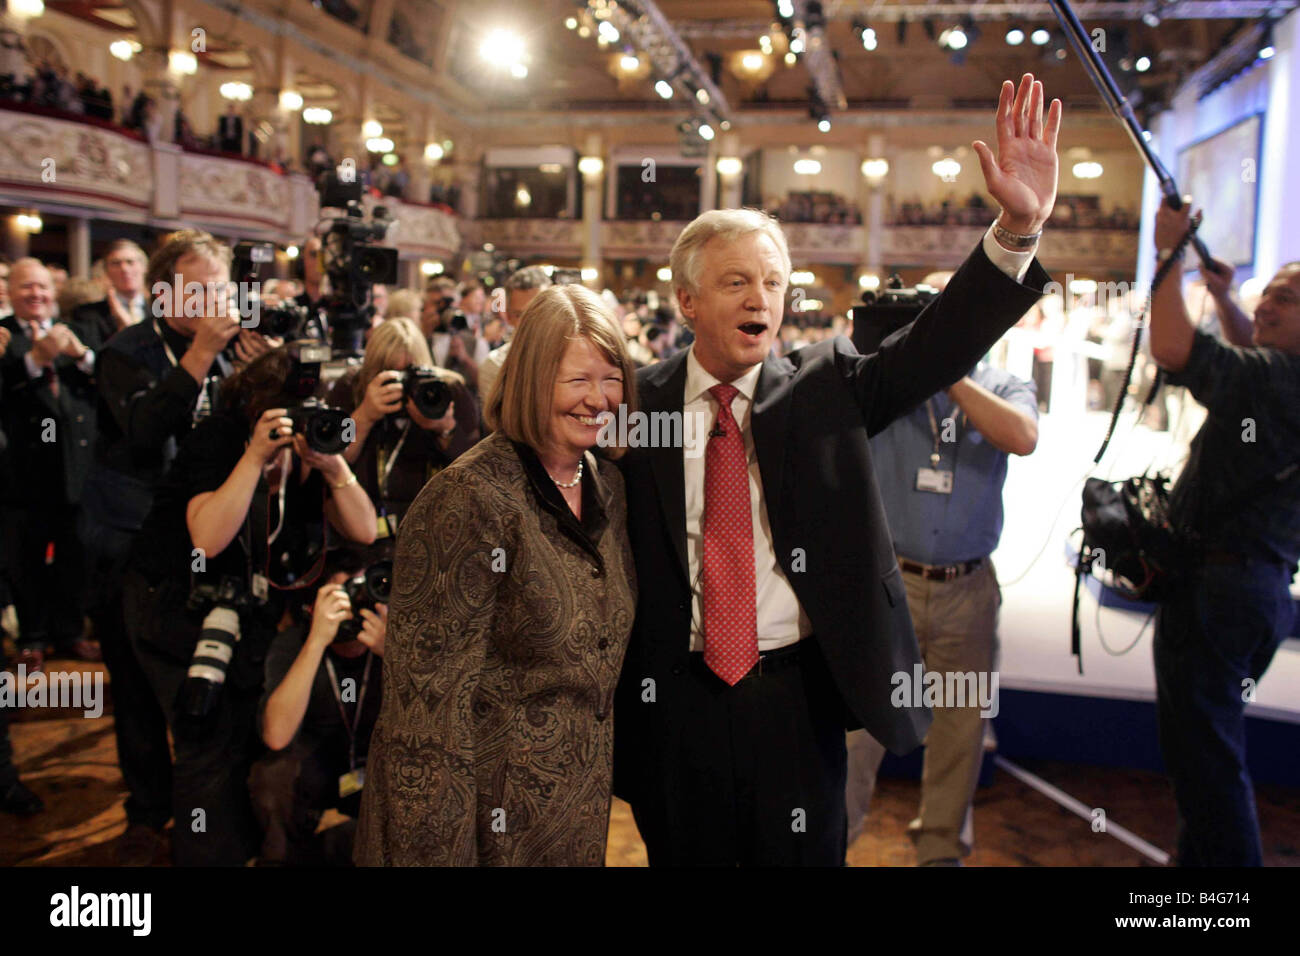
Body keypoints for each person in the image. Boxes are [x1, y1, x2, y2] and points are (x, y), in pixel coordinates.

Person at [611, 73, 1060, 866]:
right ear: (686, 299)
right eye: (737, 281)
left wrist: (1016, 229)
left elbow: (936, 345)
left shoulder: (826, 389)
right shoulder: (634, 404)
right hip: (674, 700)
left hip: (796, 698)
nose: (763, 297)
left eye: (774, 282)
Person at [355, 283, 638, 865]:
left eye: (611, 379)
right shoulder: (467, 498)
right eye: (577, 380)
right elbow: (423, 719)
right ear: (533, 380)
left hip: (574, 816)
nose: (599, 398)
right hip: (482, 826)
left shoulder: (607, 484)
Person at [123, 348, 376, 865]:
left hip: (245, 606)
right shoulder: (218, 439)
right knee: (204, 736)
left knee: (243, 737)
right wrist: (253, 457)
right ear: (258, 410)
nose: (301, 424)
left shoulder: (307, 457)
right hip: (174, 602)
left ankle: (235, 848)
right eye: (290, 412)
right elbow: (207, 540)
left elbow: (366, 530)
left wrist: (331, 466)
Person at [79, 229, 276, 864]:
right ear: (163, 291)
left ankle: (213, 820)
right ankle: (146, 811)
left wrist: (259, 364)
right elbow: (143, 433)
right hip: (132, 548)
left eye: (222, 288)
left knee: (200, 696)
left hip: (204, 543)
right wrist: (198, 357)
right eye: (202, 288)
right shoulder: (123, 352)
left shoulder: (225, 355)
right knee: (136, 693)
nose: (217, 301)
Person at [1148, 200, 1300, 866]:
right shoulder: (1279, 379)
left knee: (1208, 772)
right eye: (1269, 291)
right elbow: (1250, 348)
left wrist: (1168, 256)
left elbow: (1174, 348)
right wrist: (1224, 295)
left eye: (1287, 298)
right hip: (1258, 589)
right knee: (1209, 755)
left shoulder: (1276, 380)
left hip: (1216, 593)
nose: (1267, 305)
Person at [848, 346, 1038, 864]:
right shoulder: (892, 384)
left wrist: (950, 375)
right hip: (891, 586)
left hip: (968, 590)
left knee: (960, 726)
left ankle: (939, 848)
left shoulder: (1003, 384)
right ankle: (832, 839)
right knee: (861, 727)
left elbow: (1022, 437)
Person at [0, 259, 100, 672]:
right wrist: (33, 361)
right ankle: (33, 637)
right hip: (23, 472)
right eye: (27, 288)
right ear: (12, 292)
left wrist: (84, 357)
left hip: (77, 469)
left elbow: (107, 379)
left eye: (42, 287)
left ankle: (71, 632)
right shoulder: (4, 335)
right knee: (27, 557)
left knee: (75, 555)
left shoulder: (80, 329)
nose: (36, 295)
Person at [250, 564, 387, 865]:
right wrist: (317, 641)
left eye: (361, 591)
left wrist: (393, 654)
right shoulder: (294, 643)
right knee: (271, 775)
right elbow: (276, 736)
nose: (354, 605)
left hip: (379, 766)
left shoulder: (397, 641)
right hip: (318, 765)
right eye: (339, 596)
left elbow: (438, 725)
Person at [329, 316, 479, 534]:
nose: (400, 384)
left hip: (437, 528)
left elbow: (476, 473)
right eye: (391, 374)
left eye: (409, 373)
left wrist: (446, 429)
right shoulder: (352, 388)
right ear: (372, 370)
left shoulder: (449, 391)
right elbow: (336, 462)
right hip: (365, 529)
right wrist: (364, 416)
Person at [478, 265, 551, 401]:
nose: (531, 322)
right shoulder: (495, 366)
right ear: (509, 317)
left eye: (539, 312)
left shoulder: (572, 357)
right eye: (520, 315)